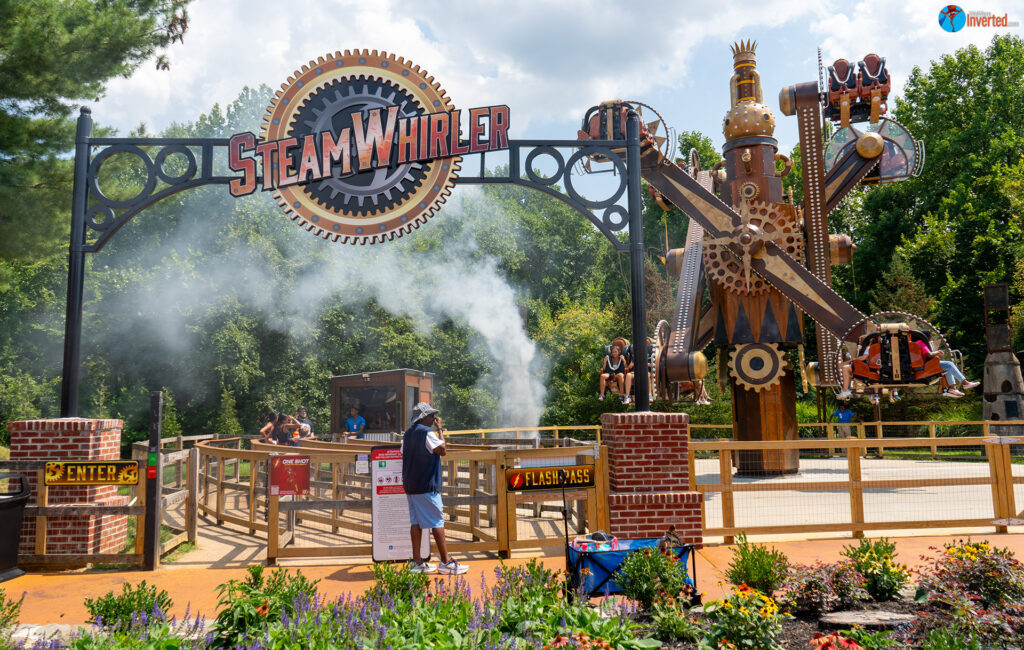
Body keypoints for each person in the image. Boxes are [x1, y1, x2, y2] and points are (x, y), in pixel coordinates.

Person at [401, 402, 467, 575]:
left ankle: (417, 563)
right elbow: (442, 450)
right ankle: (446, 562)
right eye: (431, 416)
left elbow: (403, 453)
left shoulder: (407, 435)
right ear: (423, 417)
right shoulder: (427, 433)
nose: (433, 418)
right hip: (426, 485)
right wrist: (440, 429)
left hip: (411, 485)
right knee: (437, 521)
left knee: (416, 522)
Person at [914, 338, 980, 398]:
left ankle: (952, 389)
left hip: (918, 367)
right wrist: (937, 352)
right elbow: (929, 354)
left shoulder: (913, 344)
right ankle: (965, 383)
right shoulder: (921, 343)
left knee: (947, 368)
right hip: (923, 367)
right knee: (949, 364)